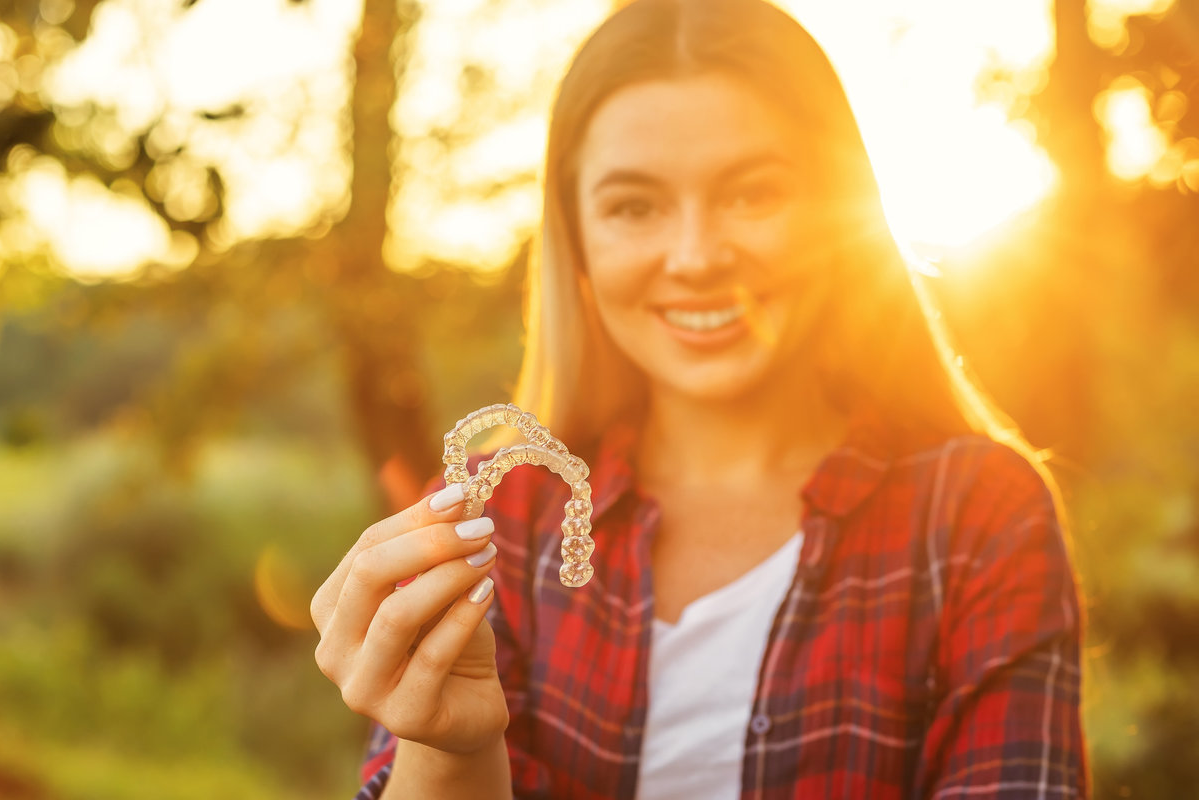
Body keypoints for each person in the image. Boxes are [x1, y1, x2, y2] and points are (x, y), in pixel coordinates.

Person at [310, 0, 1088, 797]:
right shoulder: (497, 515)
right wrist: (450, 751)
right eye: (634, 207)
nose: (696, 256)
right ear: (575, 239)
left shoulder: (974, 519)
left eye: (752, 194)